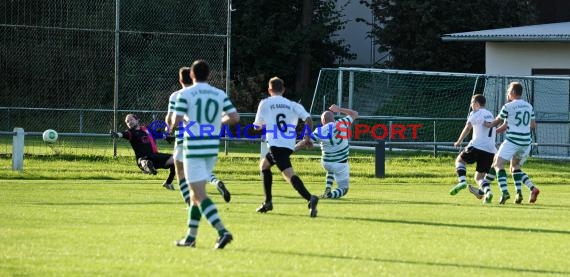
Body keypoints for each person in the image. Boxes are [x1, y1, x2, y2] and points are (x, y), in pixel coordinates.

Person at [172, 60, 239, 249]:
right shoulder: (219, 93)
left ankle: (222, 231)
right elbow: (235, 118)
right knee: (195, 196)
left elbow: (176, 120)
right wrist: (218, 121)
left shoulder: (185, 93)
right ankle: (190, 237)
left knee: (199, 195)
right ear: (208, 75)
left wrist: (177, 122)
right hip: (211, 148)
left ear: (192, 75)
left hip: (193, 148)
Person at [253, 76, 319, 217]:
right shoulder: (293, 104)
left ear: (269, 90)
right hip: (288, 144)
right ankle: (268, 202)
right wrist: (307, 137)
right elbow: (308, 119)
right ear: (283, 89)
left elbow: (257, 127)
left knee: (288, 175)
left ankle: (310, 198)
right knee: (264, 166)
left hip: (276, 144)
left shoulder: (265, 103)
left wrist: (267, 124)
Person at [166, 67, 231, 204]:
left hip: (185, 136)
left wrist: (169, 128)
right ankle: (216, 182)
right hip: (206, 136)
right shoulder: (206, 94)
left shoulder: (177, 95)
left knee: (181, 171)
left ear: (180, 80)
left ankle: (190, 204)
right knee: (201, 168)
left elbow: (171, 118)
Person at [481, 82, 540, 204]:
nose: (507, 93)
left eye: (508, 91)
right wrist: (519, 127)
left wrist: (485, 125)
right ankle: (524, 192)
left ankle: (504, 192)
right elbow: (533, 125)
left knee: (497, 163)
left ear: (513, 92)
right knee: (515, 167)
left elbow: (495, 122)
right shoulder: (529, 106)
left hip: (513, 141)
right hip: (526, 142)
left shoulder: (508, 107)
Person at [295, 104, 358, 199]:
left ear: (323, 120)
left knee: (331, 169)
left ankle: (327, 189)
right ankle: (330, 194)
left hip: (326, 163)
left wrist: (292, 149)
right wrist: (339, 109)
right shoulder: (342, 123)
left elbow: (305, 142)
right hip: (340, 163)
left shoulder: (319, 131)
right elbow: (355, 113)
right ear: (333, 118)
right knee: (344, 189)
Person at [448, 94, 497, 203]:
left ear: (477, 103)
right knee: (479, 178)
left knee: (460, 160)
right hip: (490, 151)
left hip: (477, 146)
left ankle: (462, 181)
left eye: (472, 102)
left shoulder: (476, 113)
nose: (471, 105)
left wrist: (459, 141)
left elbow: (468, 127)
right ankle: (488, 192)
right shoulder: (490, 114)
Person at [111, 114, 176, 190]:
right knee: (145, 161)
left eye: (131, 120)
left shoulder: (146, 129)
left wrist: (166, 137)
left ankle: (168, 183)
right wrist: (117, 135)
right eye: (127, 122)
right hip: (142, 158)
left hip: (155, 156)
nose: (129, 122)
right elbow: (122, 134)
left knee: (176, 160)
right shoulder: (130, 133)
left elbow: (157, 134)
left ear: (137, 120)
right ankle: (147, 167)